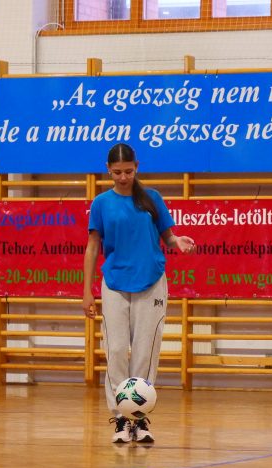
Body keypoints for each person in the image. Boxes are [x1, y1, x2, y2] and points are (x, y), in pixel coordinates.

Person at [82, 143, 195, 445]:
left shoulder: (152, 198)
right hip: (115, 283)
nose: (123, 177)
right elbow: (92, 247)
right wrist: (86, 291)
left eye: (129, 171)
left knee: (145, 353)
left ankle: (140, 418)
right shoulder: (101, 203)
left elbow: (167, 236)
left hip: (151, 282)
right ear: (108, 170)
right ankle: (121, 418)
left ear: (137, 167)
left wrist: (177, 242)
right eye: (117, 172)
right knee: (117, 350)